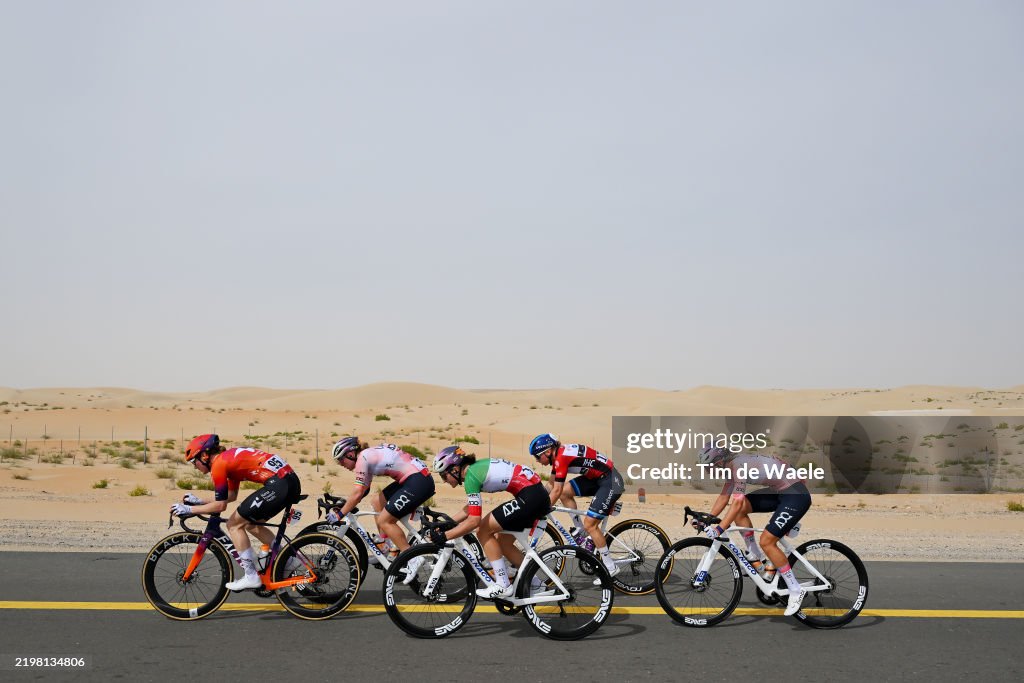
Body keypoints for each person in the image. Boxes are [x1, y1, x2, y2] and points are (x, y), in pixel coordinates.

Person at [170, 434, 303, 591]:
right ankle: (287, 560)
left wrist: (189, 509)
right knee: (252, 524)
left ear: (204, 455)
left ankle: (251, 576)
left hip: (278, 484)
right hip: (288, 482)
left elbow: (220, 506)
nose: (194, 466)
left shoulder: (218, 464)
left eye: (194, 461)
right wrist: (200, 501)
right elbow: (231, 496)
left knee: (234, 525)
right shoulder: (228, 459)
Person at [695, 444, 812, 616]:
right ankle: (755, 555)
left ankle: (795, 590)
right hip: (779, 491)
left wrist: (719, 529)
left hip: (795, 495)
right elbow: (724, 497)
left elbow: (736, 503)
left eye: (708, 466)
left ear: (719, 462)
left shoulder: (738, 466)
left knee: (767, 541)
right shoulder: (732, 466)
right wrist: (707, 518)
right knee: (741, 509)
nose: (706, 471)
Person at [430, 446, 550, 599]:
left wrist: (445, 536)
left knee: (483, 530)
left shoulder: (471, 476)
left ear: (454, 469)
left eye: (444, 475)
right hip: (535, 495)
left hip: (530, 497)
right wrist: (447, 523)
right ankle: (536, 584)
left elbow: (474, 521)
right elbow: (470, 508)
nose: (444, 480)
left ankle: (503, 584)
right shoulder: (475, 469)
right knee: (503, 544)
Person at [327, 437, 435, 582]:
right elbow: (363, 490)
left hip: (418, 481)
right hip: (413, 479)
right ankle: (386, 547)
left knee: (385, 521)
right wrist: (347, 504)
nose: (341, 464)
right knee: (377, 502)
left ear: (350, 454)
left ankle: (412, 558)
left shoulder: (363, 459)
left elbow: (358, 493)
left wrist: (340, 514)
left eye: (341, 460)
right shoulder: (366, 456)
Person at [529, 433, 624, 578]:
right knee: (565, 493)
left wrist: (541, 510)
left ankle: (610, 567)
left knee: (590, 525)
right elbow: (551, 485)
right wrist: (534, 499)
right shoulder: (558, 456)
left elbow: (556, 490)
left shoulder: (561, 458)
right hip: (596, 478)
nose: (537, 461)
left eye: (537, 456)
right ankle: (581, 531)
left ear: (547, 452)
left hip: (610, 481)